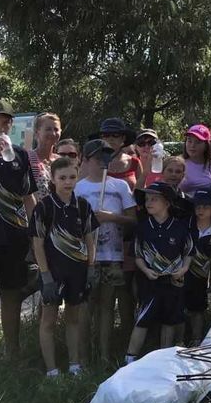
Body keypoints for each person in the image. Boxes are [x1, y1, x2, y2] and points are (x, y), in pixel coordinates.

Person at [31, 157, 99, 376]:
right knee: (48, 320)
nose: (68, 182)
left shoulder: (83, 205)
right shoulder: (44, 207)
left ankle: (74, 364)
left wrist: (91, 267)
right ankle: (51, 370)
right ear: (53, 178)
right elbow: (37, 245)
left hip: (78, 272)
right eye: (62, 178)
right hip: (53, 273)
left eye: (72, 177)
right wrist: (46, 276)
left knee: (73, 318)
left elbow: (90, 239)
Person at [0, 99, 36, 360]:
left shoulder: (22, 156)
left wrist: (36, 232)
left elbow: (29, 197)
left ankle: (11, 353)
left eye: (5, 123)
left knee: (11, 296)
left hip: (15, 237)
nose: (0, 128)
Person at [76, 139, 137, 362]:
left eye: (107, 157)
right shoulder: (78, 188)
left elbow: (132, 220)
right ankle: (82, 358)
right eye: (98, 157)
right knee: (86, 308)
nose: (103, 162)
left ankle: (104, 355)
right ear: (86, 159)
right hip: (86, 257)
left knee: (107, 308)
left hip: (113, 256)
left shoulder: (120, 186)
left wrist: (111, 218)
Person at [126, 182, 193, 362]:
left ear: (167, 203)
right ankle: (129, 359)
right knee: (142, 319)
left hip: (174, 282)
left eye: (154, 199)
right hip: (149, 282)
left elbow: (188, 253)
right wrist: (146, 270)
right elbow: (138, 255)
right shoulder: (142, 227)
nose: (149, 202)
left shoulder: (180, 227)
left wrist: (184, 269)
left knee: (170, 321)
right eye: (147, 199)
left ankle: (164, 359)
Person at [185, 189, 211, 345]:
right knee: (180, 307)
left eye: (205, 207)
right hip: (183, 273)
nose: (201, 210)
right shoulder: (187, 225)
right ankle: (179, 340)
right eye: (198, 206)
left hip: (201, 275)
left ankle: (196, 339)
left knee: (197, 308)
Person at [98, 117, 142, 191]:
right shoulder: (93, 162)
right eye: (106, 135)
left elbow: (142, 190)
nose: (110, 138)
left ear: (123, 138)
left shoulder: (135, 162)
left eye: (115, 134)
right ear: (102, 138)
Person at [28, 112, 63, 200]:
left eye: (56, 129)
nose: (53, 133)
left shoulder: (60, 161)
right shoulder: (28, 158)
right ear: (37, 132)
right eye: (48, 129)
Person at [181, 124, 211, 197]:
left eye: (198, 142)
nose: (192, 145)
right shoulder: (178, 164)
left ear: (207, 145)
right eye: (189, 141)